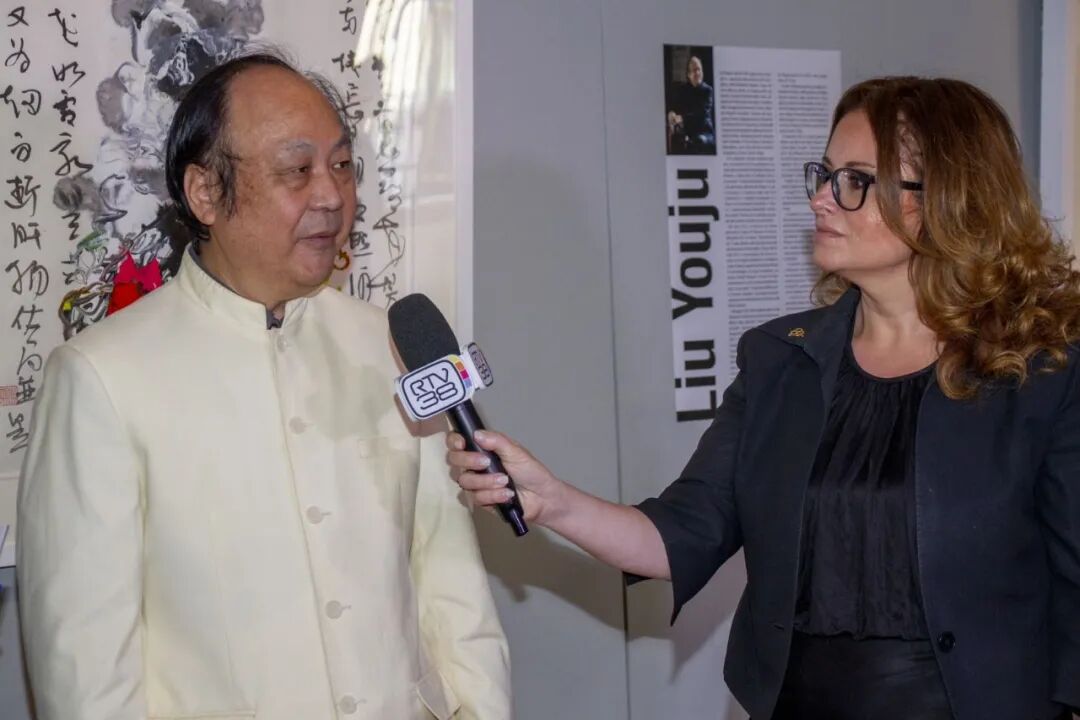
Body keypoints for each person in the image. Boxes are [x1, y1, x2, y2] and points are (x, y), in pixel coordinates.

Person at [448, 76, 1080, 720]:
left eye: (854, 181)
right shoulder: (780, 360)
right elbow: (684, 531)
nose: (820, 198)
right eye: (824, 174)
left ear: (947, 201)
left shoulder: (1045, 369)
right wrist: (551, 500)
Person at [17, 52, 510, 720]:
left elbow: (451, 585)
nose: (332, 195)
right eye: (296, 170)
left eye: (341, 164)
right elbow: (87, 672)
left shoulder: (390, 343)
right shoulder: (101, 376)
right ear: (205, 193)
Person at [666, 55, 715, 154]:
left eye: (699, 69)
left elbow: (701, 114)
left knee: (699, 141)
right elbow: (675, 106)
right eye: (694, 70)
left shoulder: (708, 90)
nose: (697, 73)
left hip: (705, 132)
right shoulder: (683, 90)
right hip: (688, 132)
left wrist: (682, 118)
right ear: (688, 74)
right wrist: (671, 113)